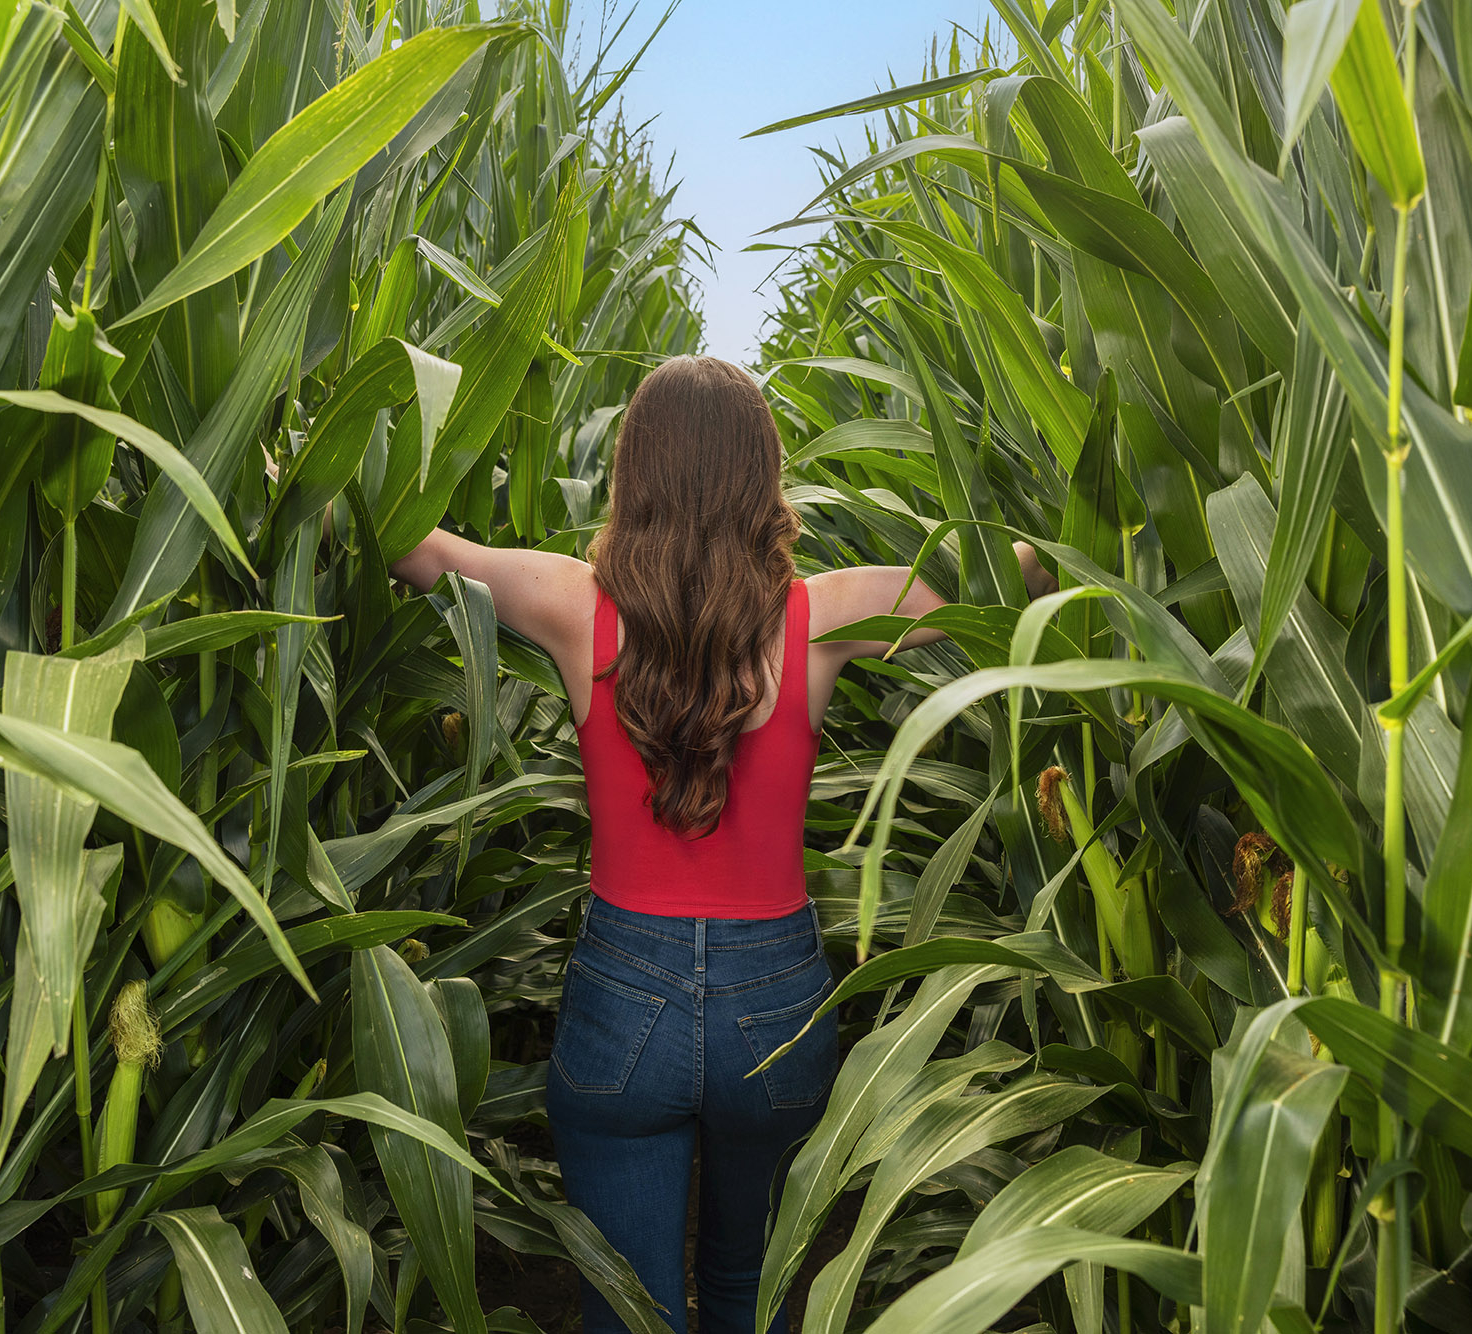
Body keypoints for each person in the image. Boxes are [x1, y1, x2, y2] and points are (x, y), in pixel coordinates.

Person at [390, 355, 1054, 1334]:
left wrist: (296, 475)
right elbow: (1008, 578)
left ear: (633, 471)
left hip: (623, 1000)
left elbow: (414, 548)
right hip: (774, 1008)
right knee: (755, 1292)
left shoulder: (572, 604)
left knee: (631, 1308)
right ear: (762, 477)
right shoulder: (820, 615)